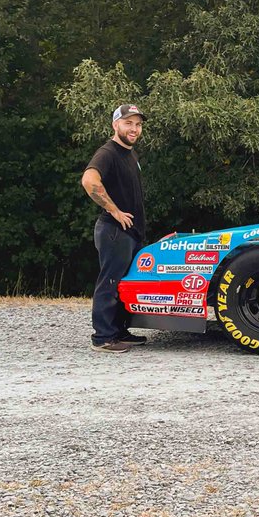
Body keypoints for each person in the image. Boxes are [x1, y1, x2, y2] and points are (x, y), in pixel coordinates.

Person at [81, 103, 148, 353]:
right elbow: (89, 180)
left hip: (131, 232)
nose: (134, 128)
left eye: (138, 124)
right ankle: (103, 338)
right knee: (109, 281)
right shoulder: (107, 152)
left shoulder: (130, 153)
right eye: (128, 123)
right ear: (115, 125)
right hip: (113, 230)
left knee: (123, 284)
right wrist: (114, 210)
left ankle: (119, 331)